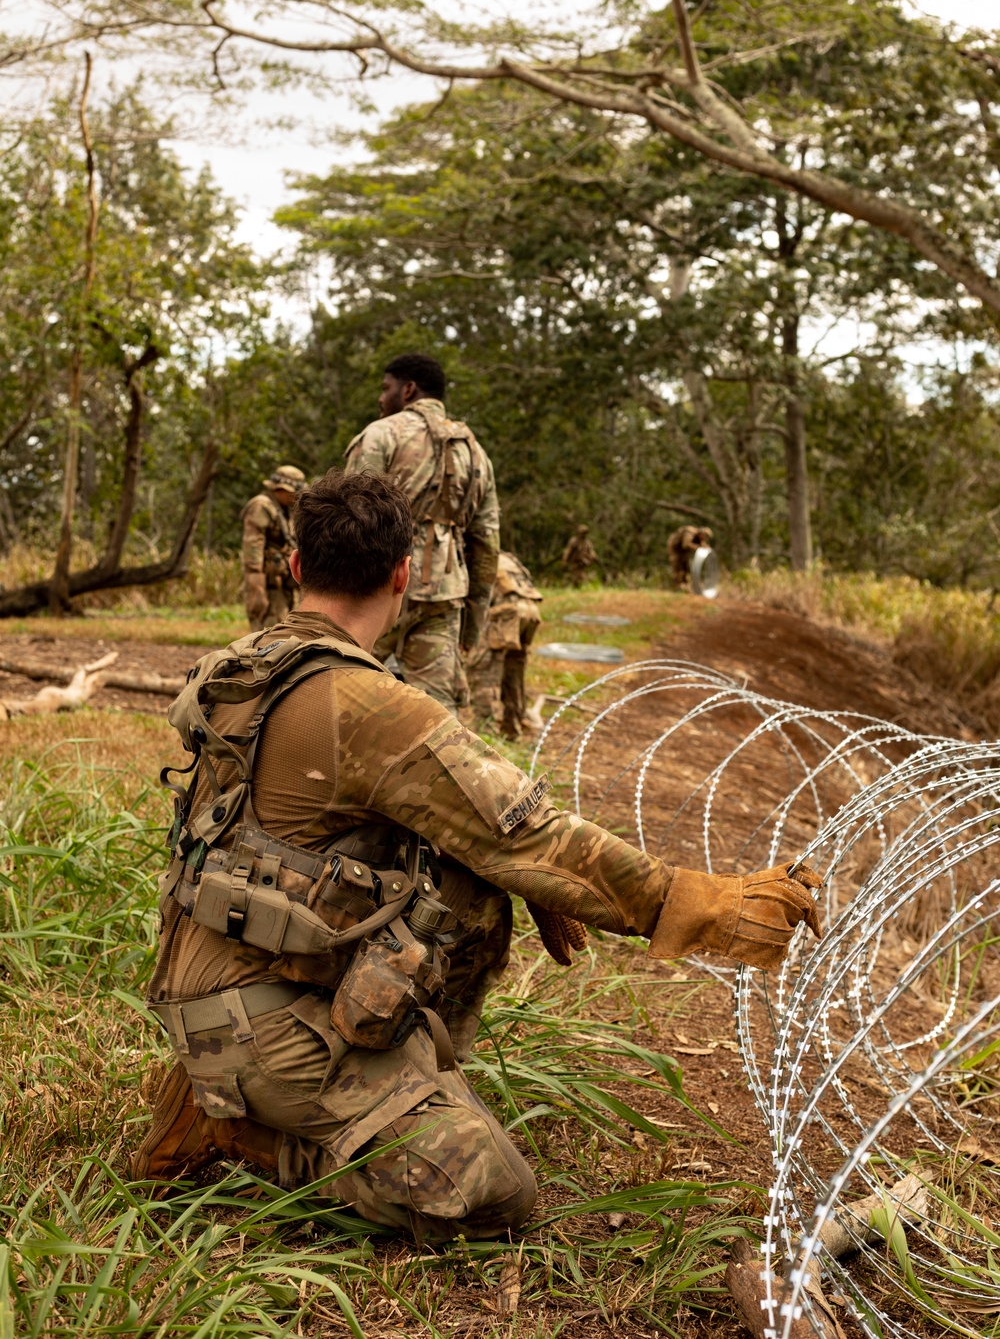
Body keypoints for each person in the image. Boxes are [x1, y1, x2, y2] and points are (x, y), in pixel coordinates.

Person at [132, 469, 823, 1243]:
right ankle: (246, 1135)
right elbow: (532, 834)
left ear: (295, 568)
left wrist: (515, 873)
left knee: (469, 881)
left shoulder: (245, 661)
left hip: (207, 970)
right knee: (490, 1192)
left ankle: (350, 1081)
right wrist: (704, 903)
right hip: (256, 1010)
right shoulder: (371, 706)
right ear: (404, 576)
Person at [343, 353, 499, 714]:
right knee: (437, 713)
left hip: (375, 589)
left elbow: (346, 520)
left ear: (408, 389)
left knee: (342, 688)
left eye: (386, 388)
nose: (381, 398)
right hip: (444, 597)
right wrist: (472, 628)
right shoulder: (476, 453)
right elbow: (487, 545)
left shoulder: (381, 435)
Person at [467, 550, 544, 739]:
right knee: (514, 673)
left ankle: (487, 734)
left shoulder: (476, 554)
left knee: (484, 672)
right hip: (529, 612)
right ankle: (512, 729)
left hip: (506, 613)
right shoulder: (509, 558)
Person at [241, 466, 306, 629]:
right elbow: (252, 547)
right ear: (282, 489)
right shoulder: (261, 506)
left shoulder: (282, 509)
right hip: (266, 587)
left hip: (281, 585)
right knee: (268, 637)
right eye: (294, 493)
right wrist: (257, 589)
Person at [668, 524, 714, 589]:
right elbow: (685, 545)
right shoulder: (690, 532)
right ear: (702, 534)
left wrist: (705, 547)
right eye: (705, 537)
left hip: (683, 552)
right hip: (675, 549)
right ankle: (678, 586)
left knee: (686, 568)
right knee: (678, 567)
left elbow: (702, 544)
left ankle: (685, 586)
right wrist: (698, 547)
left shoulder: (698, 538)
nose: (705, 540)